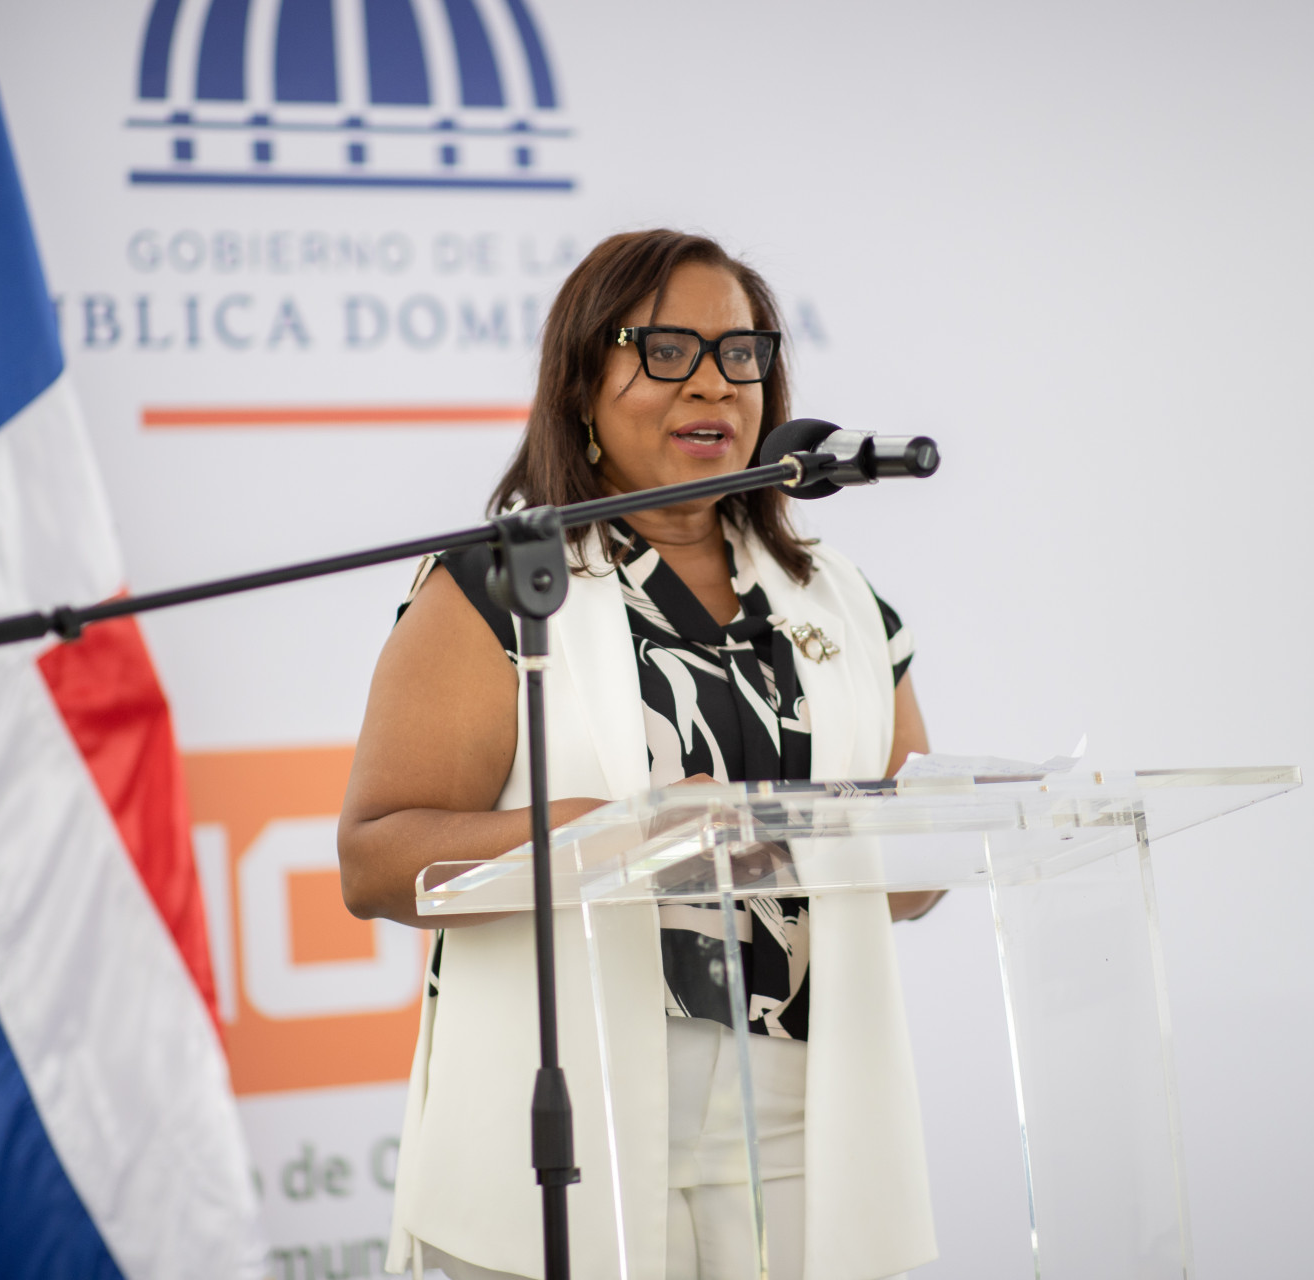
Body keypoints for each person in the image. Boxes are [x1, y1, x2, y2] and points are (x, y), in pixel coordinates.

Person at [338, 230, 939, 1280]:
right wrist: (611, 839)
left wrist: (896, 836)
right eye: (666, 351)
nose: (712, 383)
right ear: (582, 383)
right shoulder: (499, 586)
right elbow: (375, 860)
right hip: (574, 1113)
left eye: (740, 354)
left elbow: (913, 865)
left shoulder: (838, 596)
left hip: (802, 1123)